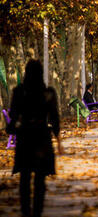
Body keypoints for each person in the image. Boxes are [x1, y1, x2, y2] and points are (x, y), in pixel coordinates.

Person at [6, 60, 63, 217]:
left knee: (24, 177)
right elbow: (54, 118)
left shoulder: (18, 91)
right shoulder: (48, 93)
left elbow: (13, 115)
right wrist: (59, 142)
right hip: (42, 137)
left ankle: (25, 211)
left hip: (25, 137)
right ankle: (37, 211)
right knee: (40, 178)